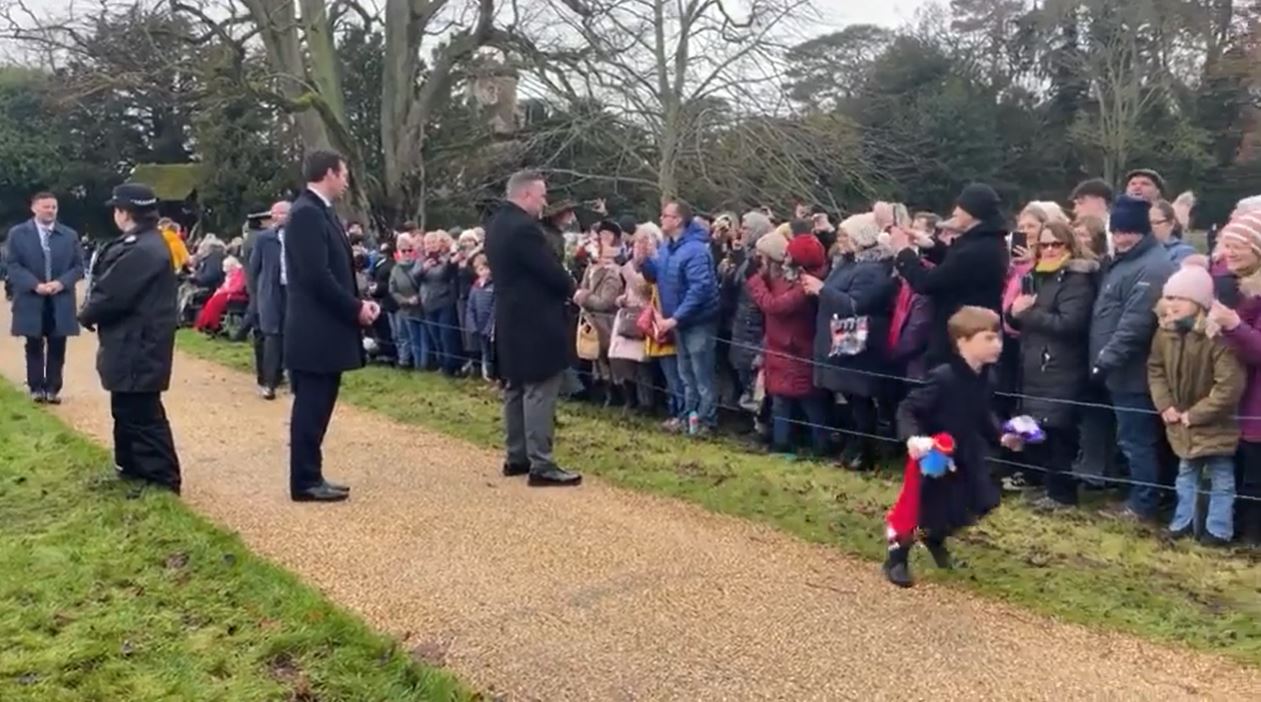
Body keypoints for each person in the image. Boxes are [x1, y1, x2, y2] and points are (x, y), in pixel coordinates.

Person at [884, 306, 1023, 587]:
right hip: (934, 453)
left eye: (998, 338)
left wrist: (1001, 435)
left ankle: (935, 537)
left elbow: (982, 413)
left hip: (967, 452)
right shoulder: (943, 377)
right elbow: (908, 409)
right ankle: (896, 559)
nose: (997, 345)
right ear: (962, 342)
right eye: (988, 338)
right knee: (917, 508)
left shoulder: (987, 377)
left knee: (980, 501)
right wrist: (913, 438)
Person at [284, 150, 378, 503]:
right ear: (328, 174)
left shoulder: (320, 212)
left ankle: (311, 474)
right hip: (315, 330)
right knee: (311, 405)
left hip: (323, 329)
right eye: (343, 173)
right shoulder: (307, 214)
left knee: (319, 405)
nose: (347, 179)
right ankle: (305, 480)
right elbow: (315, 276)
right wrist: (355, 309)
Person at [78, 183, 181, 494]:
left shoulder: (144, 249)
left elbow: (113, 294)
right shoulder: (143, 243)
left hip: (140, 344)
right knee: (125, 408)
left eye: (117, 209)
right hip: (132, 341)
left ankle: (161, 478)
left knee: (142, 414)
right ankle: (132, 468)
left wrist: (86, 314)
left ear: (124, 213)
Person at [485, 170, 582, 486]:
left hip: (510, 317)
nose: (545, 203)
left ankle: (517, 456)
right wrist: (572, 288)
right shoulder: (525, 229)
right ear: (526, 195)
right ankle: (542, 463)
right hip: (536, 320)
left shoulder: (497, 223)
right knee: (540, 388)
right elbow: (547, 270)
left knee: (515, 387)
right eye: (542, 196)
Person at [1089, 195, 1176, 522]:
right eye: (1117, 231)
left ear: (1142, 231)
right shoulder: (1123, 261)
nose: (1121, 238)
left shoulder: (1152, 266)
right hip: (1117, 370)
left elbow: (1135, 325)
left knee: (1137, 440)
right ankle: (1138, 497)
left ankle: (1143, 505)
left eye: (1128, 232)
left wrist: (1105, 359)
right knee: (1129, 439)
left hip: (1133, 372)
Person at [1148, 261, 1245, 545]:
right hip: (1180, 419)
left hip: (1215, 421)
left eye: (1180, 298)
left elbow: (1229, 385)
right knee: (1186, 473)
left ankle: (1218, 530)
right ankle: (1183, 523)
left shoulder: (1218, 338)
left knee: (1221, 477)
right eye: (1169, 297)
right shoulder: (1164, 333)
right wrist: (1164, 404)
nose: (1172, 304)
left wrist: (1197, 414)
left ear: (1200, 302)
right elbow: (1155, 369)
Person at [1006, 221, 1098, 509]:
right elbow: (1017, 317)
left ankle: (1062, 494)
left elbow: (1070, 323)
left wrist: (1029, 314)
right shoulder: (1036, 275)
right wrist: (1013, 313)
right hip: (1034, 362)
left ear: (1069, 246)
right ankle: (1048, 487)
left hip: (1061, 365)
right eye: (1043, 244)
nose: (1048, 250)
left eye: (1055, 244)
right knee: (1039, 431)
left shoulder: (1076, 280)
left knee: (1058, 432)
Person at [804, 213, 897, 469]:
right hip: (838, 339)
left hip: (858, 344)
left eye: (845, 235)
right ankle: (852, 448)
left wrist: (821, 289)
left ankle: (864, 453)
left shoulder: (874, 270)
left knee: (860, 400)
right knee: (850, 399)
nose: (840, 240)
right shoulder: (846, 263)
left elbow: (857, 304)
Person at [889, 183, 1009, 368]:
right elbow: (957, 268)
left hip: (960, 337)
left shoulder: (976, 249)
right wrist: (932, 246)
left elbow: (927, 282)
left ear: (972, 212)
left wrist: (904, 253)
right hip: (963, 332)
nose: (955, 212)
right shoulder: (985, 243)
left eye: (959, 208)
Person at [745, 225, 829, 456]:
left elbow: (775, 306)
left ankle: (820, 446)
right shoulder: (783, 277)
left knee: (809, 402)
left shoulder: (805, 285)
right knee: (781, 400)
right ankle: (782, 444)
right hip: (778, 348)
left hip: (796, 349)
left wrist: (754, 280)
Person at [642, 200, 720, 435]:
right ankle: (688, 417)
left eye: (665, 215)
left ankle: (706, 421)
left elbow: (700, 289)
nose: (661, 219)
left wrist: (675, 318)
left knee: (701, 374)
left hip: (697, 322)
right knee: (685, 373)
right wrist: (645, 261)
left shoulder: (695, 250)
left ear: (677, 220)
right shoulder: (668, 247)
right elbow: (659, 276)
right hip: (677, 321)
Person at [1208, 210, 1261, 544]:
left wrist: (1232, 325)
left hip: (1258, 402)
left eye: (1238, 245)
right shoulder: (1243, 291)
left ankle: (1252, 539)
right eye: (1226, 245)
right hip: (1245, 401)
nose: (1229, 253)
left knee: (1255, 475)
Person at [5, 191, 83, 404]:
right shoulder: (18, 234)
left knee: (58, 343)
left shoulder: (69, 235)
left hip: (60, 297)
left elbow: (78, 267)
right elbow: (12, 265)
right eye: (46, 207)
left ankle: (53, 388)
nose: (50, 211)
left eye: (54, 207)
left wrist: (60, 283)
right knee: (34, 342)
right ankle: (36, 386)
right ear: (34, 208)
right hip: (32, 296)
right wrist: (34, 285)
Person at [248, 200, 290, 400]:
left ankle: (295, 379)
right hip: (271, 293)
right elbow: (253, 268)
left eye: (280, 213)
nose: (276, 217)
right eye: (274, 213)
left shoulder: (299, 237)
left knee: (294, 335)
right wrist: (256, 294)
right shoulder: (264, 238)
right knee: (272, 337)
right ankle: (269, 383)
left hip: (293, 291)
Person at [1150, 199, 1196, 265]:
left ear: (1171, 224)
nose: (1150, 227)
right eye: (1147, 223)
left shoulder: (1184, 251)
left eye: (1155, 223)